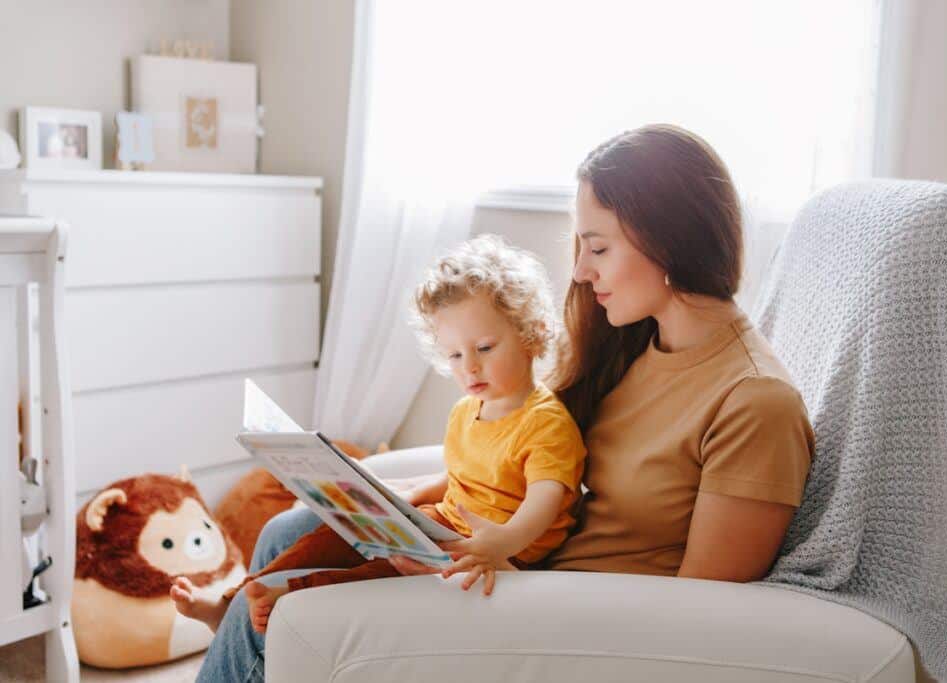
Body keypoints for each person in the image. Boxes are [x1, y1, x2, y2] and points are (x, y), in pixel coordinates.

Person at [197, 124, 815, 682]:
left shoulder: (754, 403)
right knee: (289, 529)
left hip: (562, 615)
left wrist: (508, 577)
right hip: (520, 569)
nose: (580, 271)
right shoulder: (637, 346)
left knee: (294, 614)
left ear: (669, 242)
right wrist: (402, 500)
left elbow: (704, 630)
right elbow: (527, 456)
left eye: (598, 248)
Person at [173, 235, 586, 635]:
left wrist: (501, 543)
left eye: (485, 348)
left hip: (501, 554)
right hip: (447, 527)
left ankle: (290, 594)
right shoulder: (467, 411)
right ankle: (230, 602)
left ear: (530, 334)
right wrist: (406, 494)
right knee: (335, 535)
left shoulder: (546, 423)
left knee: (382, 572)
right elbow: (466, 477)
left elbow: (544, 502)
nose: (469, 367)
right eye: (455, 355)